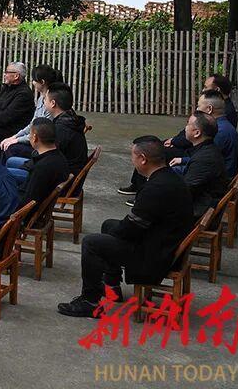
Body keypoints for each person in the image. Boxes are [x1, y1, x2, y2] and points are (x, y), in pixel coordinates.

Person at [58, 136, 193, 318]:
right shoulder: (169, 177)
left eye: (133, 156)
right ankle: (112, 285)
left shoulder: (157, 188)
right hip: (163, 239)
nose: (132, 161)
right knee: (108, 225)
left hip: (156, 253)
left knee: (92, 243)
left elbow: (132, 228)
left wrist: (119, 231)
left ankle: (90, 301)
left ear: (143, 159)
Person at [6, 84, 87, 177]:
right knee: (10, 162)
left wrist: (25, 167)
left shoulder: (61, 129)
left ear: (53, 103)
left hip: (56, 177)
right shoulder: (70, 120)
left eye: (45, 99)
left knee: (5, 174)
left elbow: (46, 158)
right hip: (55, 168)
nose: (43, 101)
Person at [0, 64, 62, 163]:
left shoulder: (51, 104)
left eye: (34, 80)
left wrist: (17, 140)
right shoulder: (41, 99)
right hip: (34, 140)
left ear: (42, 82)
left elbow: (41, 132)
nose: (32, 83)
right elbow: (32, 124)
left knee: (11, 148)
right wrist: (14, 137)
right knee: (5, 145)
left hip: (40, 145)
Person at [171, 113, 228, 217]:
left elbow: (186, 192)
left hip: (199, 209)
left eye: (188, 124)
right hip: (203, 199)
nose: (185, 128)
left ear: (197, 133)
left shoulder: (204, 159)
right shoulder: (208, 148)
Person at [11, 119, 70, 208]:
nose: (29, 137)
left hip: (21, 210)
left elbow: (28, 202)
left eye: (30, 134)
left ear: (35, 137)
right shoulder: (58, 156)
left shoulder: (42, 167)